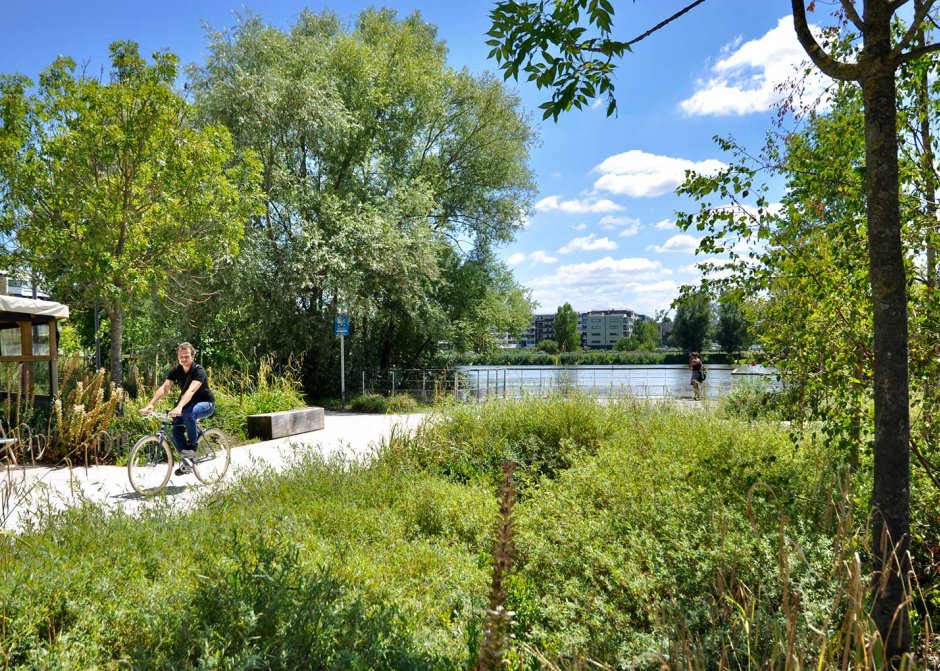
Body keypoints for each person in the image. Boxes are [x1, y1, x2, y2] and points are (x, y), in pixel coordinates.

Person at [141, 342, 215, 475]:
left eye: (186, 356)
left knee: (188, 414)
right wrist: (151, 403)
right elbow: (165, 388)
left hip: (205, 403)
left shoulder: (199, 370)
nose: (184, 359)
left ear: (193, 356)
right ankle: (188, 463)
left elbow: (191, 390)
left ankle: (193, 447)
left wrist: (179, 407)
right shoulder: (176, 370)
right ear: (177, 357)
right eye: (181, 356)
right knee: (175, 430)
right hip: (187, 404)